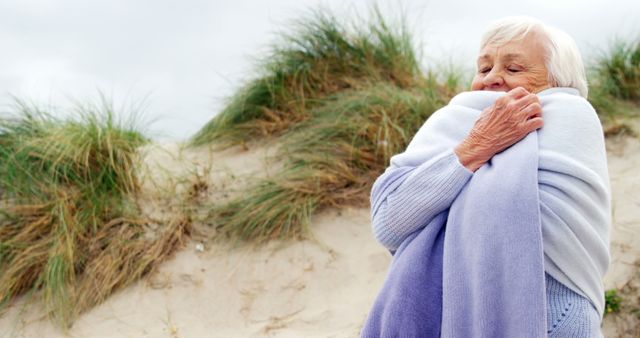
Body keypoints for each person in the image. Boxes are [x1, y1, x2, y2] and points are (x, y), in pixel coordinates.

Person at [369, 17, 609, 337]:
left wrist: (447, 188)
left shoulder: (571, 115)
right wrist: (476, 146)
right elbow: (388, 221)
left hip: (557, 319)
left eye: (513, 69)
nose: (493, 78)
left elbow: (531, 223)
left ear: (557, 81)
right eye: (483, 69)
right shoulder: (451, 124)